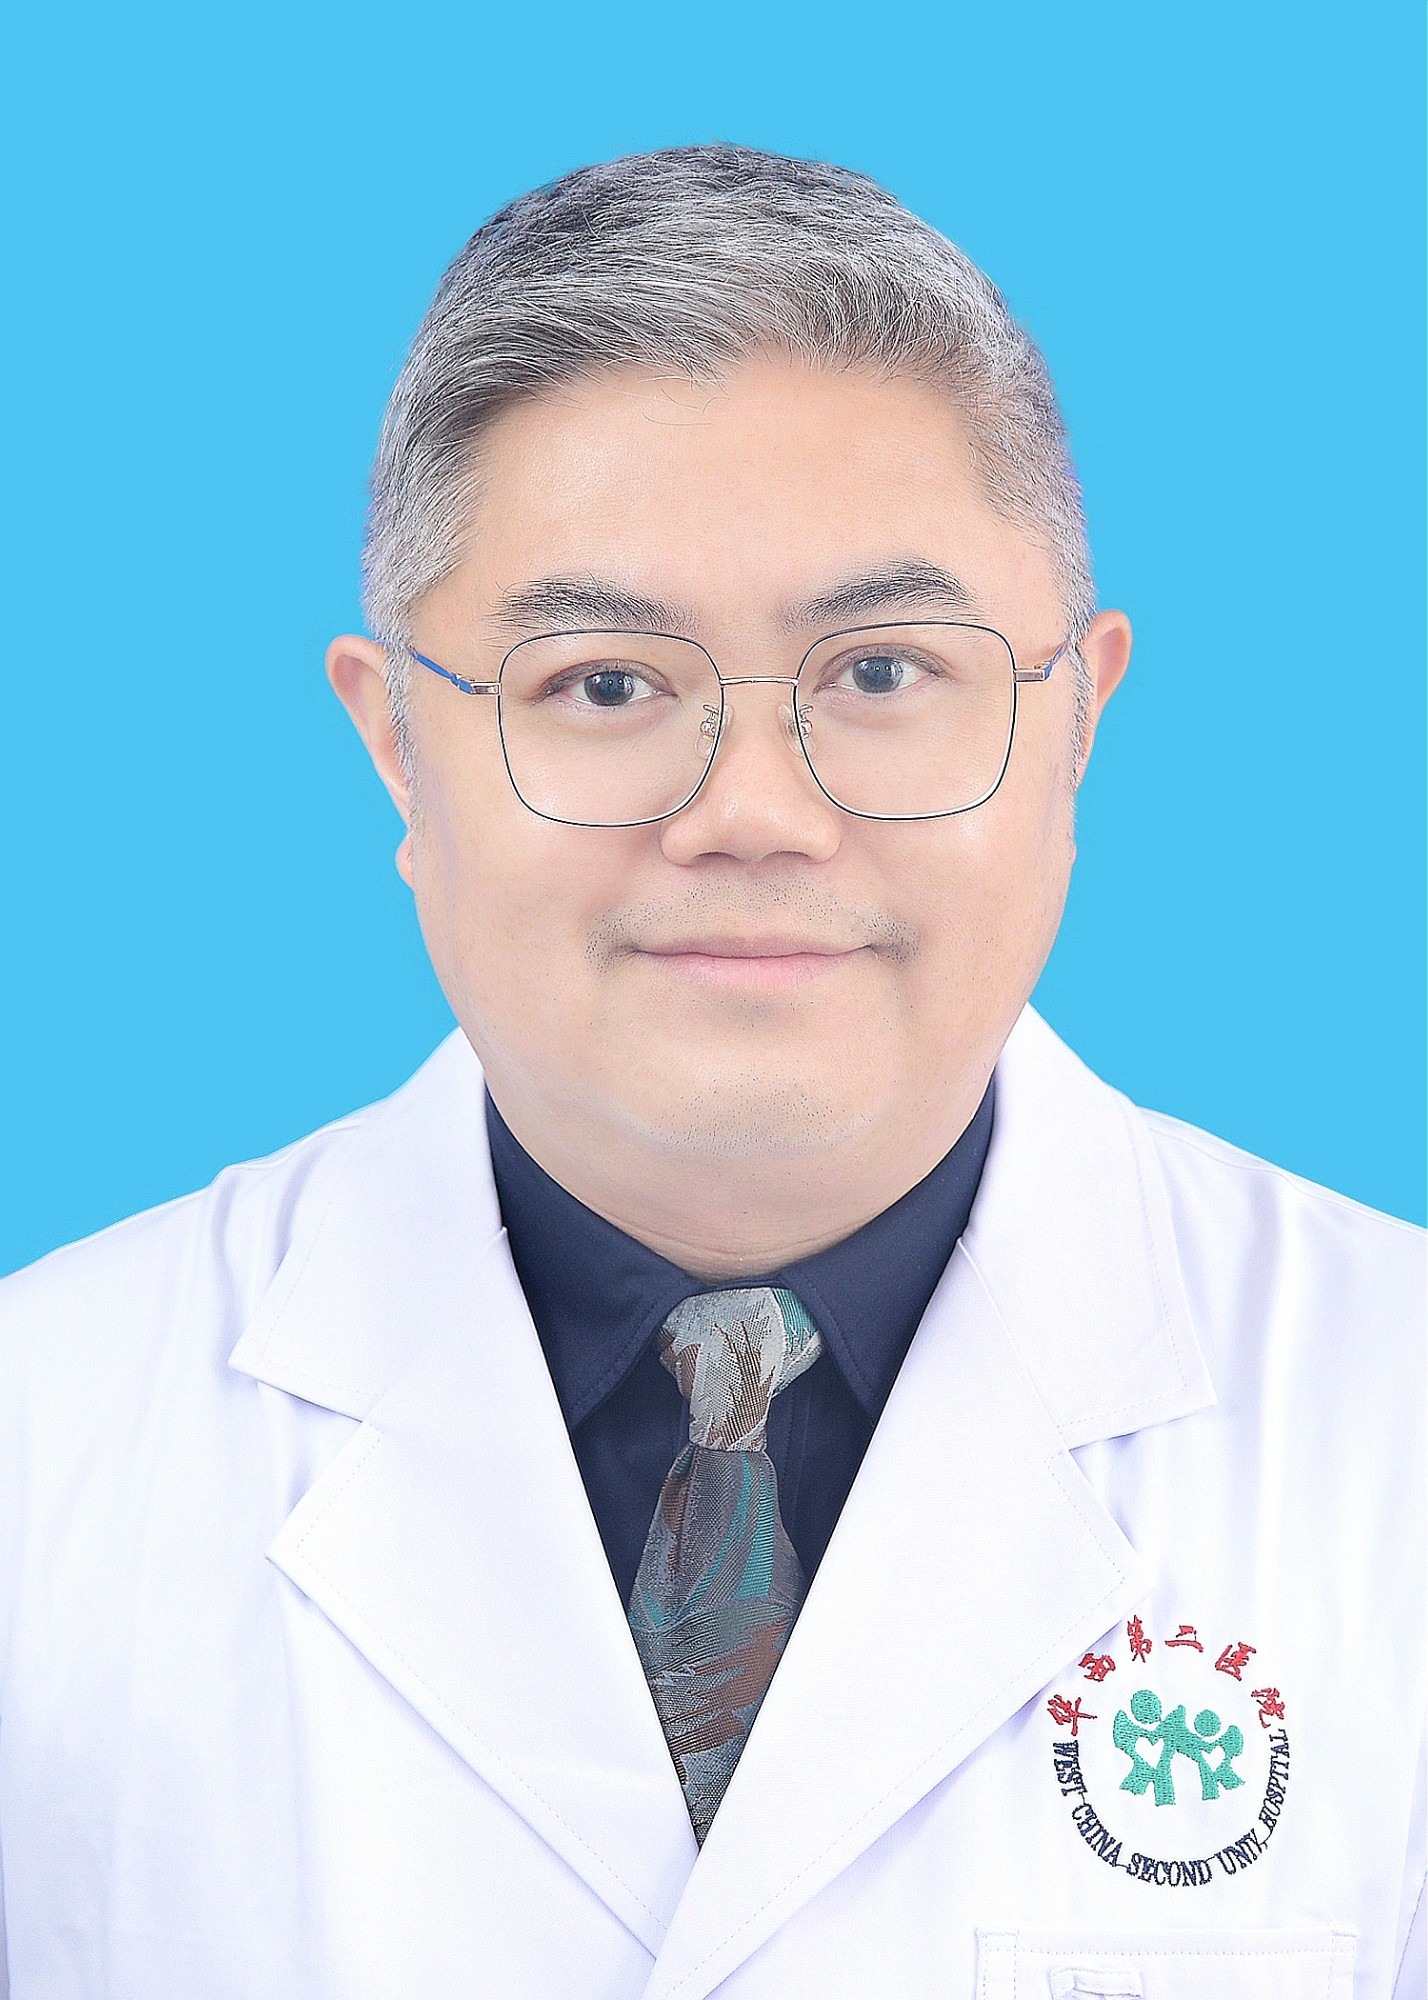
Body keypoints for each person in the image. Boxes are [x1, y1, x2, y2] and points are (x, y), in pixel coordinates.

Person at [0, 145, 1420, 2000]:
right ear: (398, 745)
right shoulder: (42, 1450)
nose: (753, 810)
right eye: (604, 684)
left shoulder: (1393, 1430)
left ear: (1075, 716)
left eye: (883, 671)